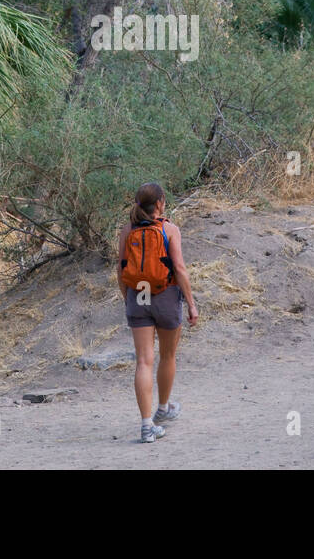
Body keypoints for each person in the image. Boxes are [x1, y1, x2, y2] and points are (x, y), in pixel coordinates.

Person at [117, 183, 198, 443]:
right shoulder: (169, 229)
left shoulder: (127, 231)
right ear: (161, 203)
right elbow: (180, 268)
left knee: (143, 361)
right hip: (165, 296)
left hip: (137, 296)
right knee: (168, 355)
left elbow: (120, 269)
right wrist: (192, 303)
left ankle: (146, 426)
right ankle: (162, 410)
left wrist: (127, 297)